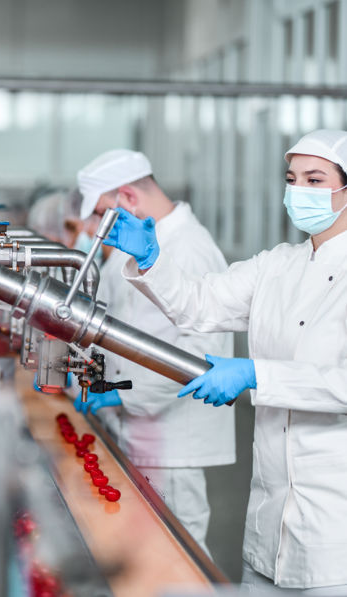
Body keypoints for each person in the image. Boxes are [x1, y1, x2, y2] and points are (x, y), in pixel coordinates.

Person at [106, 130, 347, 594]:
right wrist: (153, 259)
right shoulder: (277, 265)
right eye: (292, 178)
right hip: (267, 517)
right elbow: (200, 304)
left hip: (334, 529)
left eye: (315, 180)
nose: (299, 191)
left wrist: (258, 374)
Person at [72, 149, 235, 552]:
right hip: (138, 427)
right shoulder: (143, 243)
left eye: (103, 213)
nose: (96, 228)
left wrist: (124, 393)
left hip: (171, 441)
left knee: (177, 553)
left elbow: (199, 354)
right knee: (145, 550)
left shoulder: (190, 248)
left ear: (127, 197)